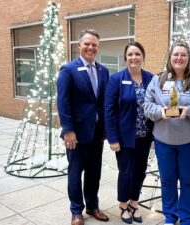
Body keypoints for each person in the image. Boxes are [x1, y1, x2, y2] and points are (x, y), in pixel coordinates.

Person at [144, 40, 190, 225]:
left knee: (189, 182)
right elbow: (147, 106)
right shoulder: (158, 80)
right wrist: (161, 112)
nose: (179, 58)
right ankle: (170, 216)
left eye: (183, 54)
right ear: (170, 57)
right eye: (176, 54)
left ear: (188, 58)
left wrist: (189, 111)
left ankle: (187, 218)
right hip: (163, 141)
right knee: (167, 181)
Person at [57, 29, 110, 225]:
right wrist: (68, 130)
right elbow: (63, 103)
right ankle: (76, 210)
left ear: (98, 47)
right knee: (75, 171)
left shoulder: (104, 71)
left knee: (94, 171)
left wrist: (107, 128)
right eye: (87, 43)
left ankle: (92, 206)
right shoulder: (68, 70)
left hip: (97, 132)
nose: (91, 47)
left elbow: (103, 102)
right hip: (76, 134)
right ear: (79, 45)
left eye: (94, 44)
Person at [105, 42, 154, 224]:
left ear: (143, 57)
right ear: (126, 57)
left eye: (137, 54)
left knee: (140, 172)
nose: (134, 57)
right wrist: (113, 138)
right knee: (126, 172)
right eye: (130, 54)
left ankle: (135, 202)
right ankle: (123, 205)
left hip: (145, 136)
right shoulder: (116, 79)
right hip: (125, 138)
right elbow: (109, 110)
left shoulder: (151, 78)